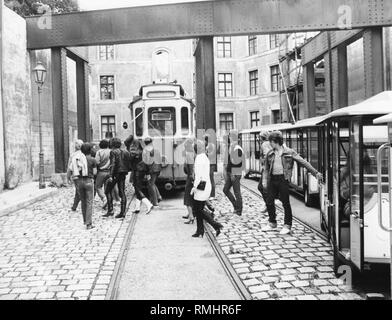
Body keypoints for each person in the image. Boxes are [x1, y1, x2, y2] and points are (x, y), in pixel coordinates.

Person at [262, 131, 323, 235]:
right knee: (269, 201)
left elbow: (303, 162)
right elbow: (266, 168)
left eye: (271, 141)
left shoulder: (289, 152)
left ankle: (287, 225)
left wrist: (315, 173)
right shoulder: (270, 153)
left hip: (283, 179)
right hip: (272, 179)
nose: (270, 144)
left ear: (275, 141)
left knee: (285, 202)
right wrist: (264, 180)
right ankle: (272, 223)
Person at [191, 140, 223, 238]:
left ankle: (216, 225)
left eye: (194, 148)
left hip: (201, 186)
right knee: (199, 209)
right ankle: (200, 230)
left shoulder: (198, 158)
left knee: (198, 210)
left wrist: (194, 187)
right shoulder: (205, 157)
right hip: (206, 185)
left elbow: (198, 176)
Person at [103, 137, 131, 219]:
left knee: (107, 190)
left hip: (115, 173)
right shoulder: (125, 152)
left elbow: (113, 164)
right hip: (123, 173)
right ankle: (123, 212)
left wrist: (111, 175)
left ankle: (110, 210)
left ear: (112, 144)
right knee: (122, 192)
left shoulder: (113, 152)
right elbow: (128, 163)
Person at [223, 130, 244, 216]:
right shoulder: (232, 146)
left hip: (234, 173)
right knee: (225, 190)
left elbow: (237, 163)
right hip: (231, 173)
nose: (229, 138)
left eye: (230, 136)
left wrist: (232, 173)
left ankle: (239, 210)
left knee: (237, 192)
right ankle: (236, 206)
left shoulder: (237, 148)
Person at [77, 143, 97, 230]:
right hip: (89, 180)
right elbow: (95, 172)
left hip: (79, 181)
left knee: (83, 201)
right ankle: (89, 223)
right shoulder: (92, 160)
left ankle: (85, 220)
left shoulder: (79, 159)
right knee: (89, 202)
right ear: (90, 150)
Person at [132, 141, 154, 214]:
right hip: (143, 171)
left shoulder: (134, 153)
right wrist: (148, 173)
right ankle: (137, 208)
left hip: (137, 171)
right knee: (139, 188)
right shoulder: (146, 152)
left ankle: (148, 204)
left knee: (137, 189)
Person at [143, 137, 162, 207]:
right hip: (157, 169)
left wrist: (146, 171)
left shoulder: (146, 150)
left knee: (151, 184)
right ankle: (159, 196)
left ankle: (155, 201)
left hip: (151, 169)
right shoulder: (156, 149)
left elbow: (147, 161)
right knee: (153, 183)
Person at [67, 139, 84, 212]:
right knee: (78, 191)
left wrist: (68, 177)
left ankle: (85, 205)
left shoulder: (73, 155)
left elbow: (69, 167)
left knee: (79, 191)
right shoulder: (84, 154)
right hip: (84, 175)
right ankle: (74, 206)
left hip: (76, 175)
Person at [257, 130, 272, 213]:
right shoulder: (269, 143)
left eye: (260, 137)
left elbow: (267, 155)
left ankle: (269, 205)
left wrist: (263, 161)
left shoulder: (264, 144)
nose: (259, 139)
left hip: (266, 170)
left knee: (261, 187)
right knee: (266, 188)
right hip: (268, 169)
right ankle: (268, 205)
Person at [95, 139, 111, 208]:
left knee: (98, 186)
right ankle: (110, 201)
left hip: (101, 172)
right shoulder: (111, 151)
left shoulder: (99, 152)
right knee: (107, 187)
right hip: (109, 172)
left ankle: (104, 198)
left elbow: (97, 162)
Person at [183, 138, 195, 224]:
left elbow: (190, 168)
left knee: (187, 197)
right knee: (192, 196)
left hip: (190, 177)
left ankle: (191, 216)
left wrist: (191, 177)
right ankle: (190, 213)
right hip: (191, 176)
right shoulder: (193, 153)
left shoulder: (189, 154)